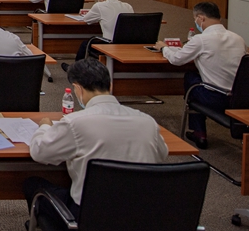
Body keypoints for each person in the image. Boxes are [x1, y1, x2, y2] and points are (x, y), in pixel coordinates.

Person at [24, 59, 168, 231]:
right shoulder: (148, 122)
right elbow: (161, 155)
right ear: (110, 86)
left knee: (32, 184)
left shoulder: (75, 123)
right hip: (142, 215)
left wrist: (44, 126)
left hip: (89, 217)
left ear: (78, 88)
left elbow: (39, 152)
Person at [155, 2, 247, 149]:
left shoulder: (201, 40)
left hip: (216, 98)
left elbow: (176, 60)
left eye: (195, 19)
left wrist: (164, 48)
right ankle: (199, 132)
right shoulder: (238, 39)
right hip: (241, 99)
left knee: (191, 78)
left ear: (201, 18)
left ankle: (199, 133)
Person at [65, 0, 134, 67]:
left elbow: (86, 19)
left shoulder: (100, 5)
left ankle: (76, 68)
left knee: (85, 44)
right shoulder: (128, 6)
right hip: (128, 42)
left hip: (109, 43)